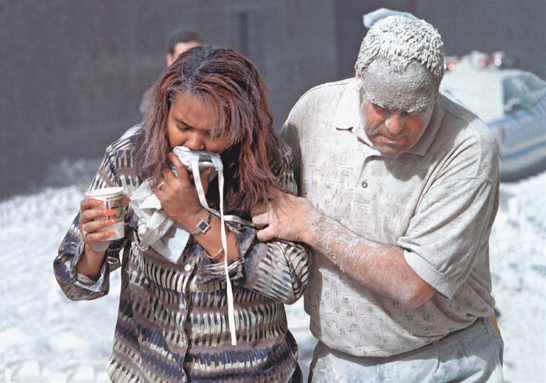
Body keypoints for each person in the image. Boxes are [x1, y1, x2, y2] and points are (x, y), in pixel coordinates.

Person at [250, 15, 504, 382]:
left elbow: (413, 284)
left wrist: (314, 227)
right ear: (357, 77)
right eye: (381, 107)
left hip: (444, 361)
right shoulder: (314, 113)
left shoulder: (466, 145)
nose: (395, 126)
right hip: (338, 364)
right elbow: (269, 205)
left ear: (437, 89)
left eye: (413, 110)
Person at [54, 45, 310, 383]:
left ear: (242, 125)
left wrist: (196, 218)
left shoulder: (267, 165)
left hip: (253, 374)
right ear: (164, 111)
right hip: (149, 371)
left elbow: (291, 280)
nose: (194, 143)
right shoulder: (128, 161)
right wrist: (94, 249)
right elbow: (76, 287)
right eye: (183, 125)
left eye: (214, 132)